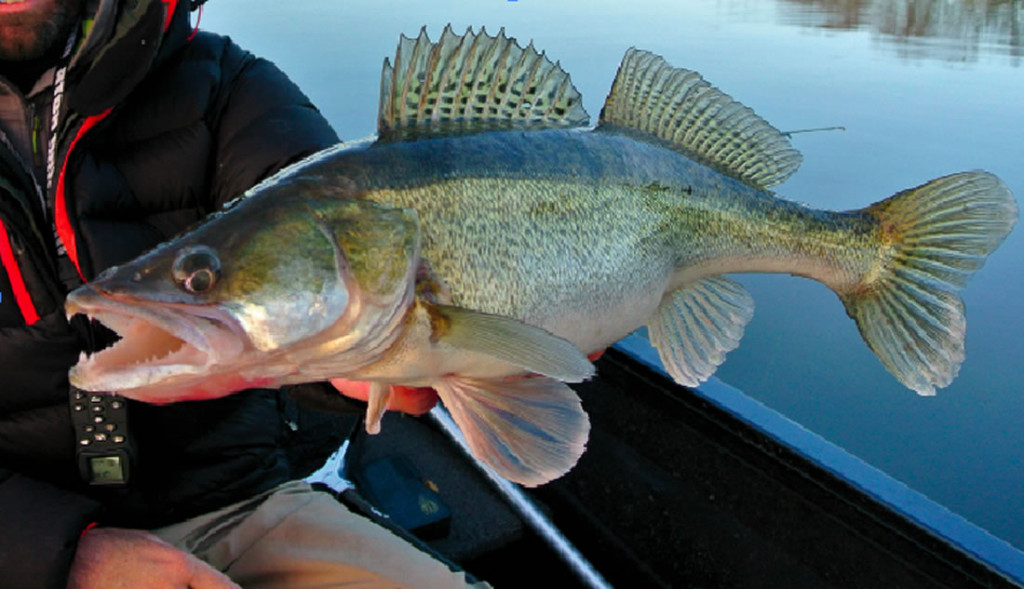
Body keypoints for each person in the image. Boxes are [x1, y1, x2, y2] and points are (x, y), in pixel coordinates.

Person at [0, 1, 480, 587]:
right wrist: (53, 555)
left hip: (237, 507)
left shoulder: (226, 87)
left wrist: (352, 369)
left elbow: (344, 251)